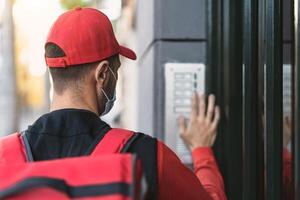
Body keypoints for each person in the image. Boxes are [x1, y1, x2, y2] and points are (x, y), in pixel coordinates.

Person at [0, 7, 226, 200]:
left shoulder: (4, 156)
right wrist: (201, 149)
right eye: (117, 70)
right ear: (103, 74)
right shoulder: (145, 154)